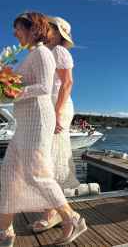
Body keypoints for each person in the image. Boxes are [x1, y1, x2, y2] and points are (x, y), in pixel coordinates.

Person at [0, 12, 86, 246]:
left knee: (35, 173)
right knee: (8, 173)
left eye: (17, 28)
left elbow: (45, 87)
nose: (14, 33)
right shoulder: (30, 55)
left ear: (33, 29)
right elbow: (20, 85)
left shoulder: (43, 53)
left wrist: (15, 92)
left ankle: (72, 218)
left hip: (38, 120)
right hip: (26, 121)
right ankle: (5, 231)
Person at [31, 17, 81, 233]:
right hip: (46, 106)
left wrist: (57, 113)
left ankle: (52, 214)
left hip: (57, 107)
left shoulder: (59, 51)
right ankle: (54, 212)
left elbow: (68, 83)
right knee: (44, 159)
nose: (46, 28)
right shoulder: (43, 51)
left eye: (50, 27)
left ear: (59, 32)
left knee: (49, 159)